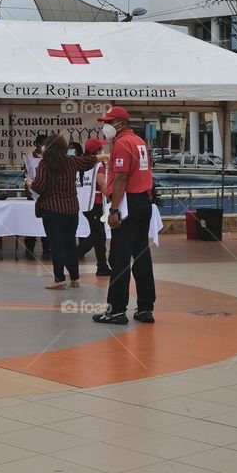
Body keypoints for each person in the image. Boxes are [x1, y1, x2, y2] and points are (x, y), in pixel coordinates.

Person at [92, 106, 155, 325]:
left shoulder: (121, 144)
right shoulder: (139, 142)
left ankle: (117, 311)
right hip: (143, 202)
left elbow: (120, 179)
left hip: (127, 203)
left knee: (119, 258)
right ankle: (145, 308)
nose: (105, 126)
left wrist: (114, 210)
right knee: (141, 255)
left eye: (108, 122)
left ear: (120, 123)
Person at [29, 133, 97, 290]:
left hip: (52, 210)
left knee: (56, 246)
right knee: (70, 244)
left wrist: (29, 183)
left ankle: (59, 279)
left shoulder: (45, 165)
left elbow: (39, 187)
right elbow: (88, 161)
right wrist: (104, 156)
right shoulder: (72, 161)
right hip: (71, 209)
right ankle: (74, 278)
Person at [78, 137, 111, 276]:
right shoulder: (98, 165)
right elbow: (102, 184)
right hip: (95, 203)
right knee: (98, 235)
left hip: (84, 203)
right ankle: (72, 255)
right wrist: (110, 197)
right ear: (97, 151)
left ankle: (102, 266)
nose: (103, 150)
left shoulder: (81, 163)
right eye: (101, 148)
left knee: (99, 235)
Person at [23, 133, 51, 262]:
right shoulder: (29, 157)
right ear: (38, 144)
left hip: (46, 194)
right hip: (33, 192)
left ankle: (47, 247)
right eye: (44, 143)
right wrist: (27, 191)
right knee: (31, 222)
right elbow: (26, 176)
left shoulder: (50, 157)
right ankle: (29, 247)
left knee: (47, 222)